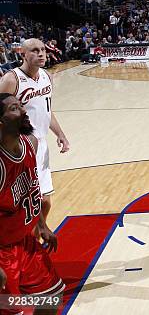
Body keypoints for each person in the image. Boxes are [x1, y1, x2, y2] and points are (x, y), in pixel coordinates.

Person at [0, 93, 65, 314]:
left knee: (52, 297)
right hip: (2, 251)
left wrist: (41, 225)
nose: (25, 111)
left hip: (24, 242)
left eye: (21, 106)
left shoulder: (31, 143)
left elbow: (31, 191)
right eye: (15, 109)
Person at [0, 39, 70, 222]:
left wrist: (60, 134)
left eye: (43, 50)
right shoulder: (11, 79)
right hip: (20, 148)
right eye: (34, 50)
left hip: (41, 144)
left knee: (45, 201)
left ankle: (37, 236)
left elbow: (46, 110)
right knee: (23, 204)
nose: (41, 53)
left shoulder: (47, 76)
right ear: (23, 54)